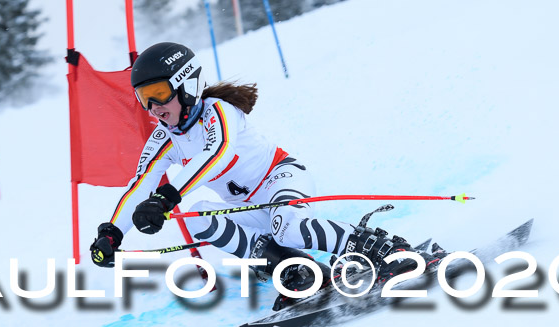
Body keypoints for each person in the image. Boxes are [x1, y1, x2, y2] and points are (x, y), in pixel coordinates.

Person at [90, 42, 440, 302]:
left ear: (186, 85)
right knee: (194, 216)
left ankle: (386, 251)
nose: (153, 107)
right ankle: (295, 271)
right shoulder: (164, 139)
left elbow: (216, 154)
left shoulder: (219, 112)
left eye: (159, 94)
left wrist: (166, 197)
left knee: (287, 228)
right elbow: (140, 185)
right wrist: (112, 233)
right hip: (250, 210)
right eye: (143, 97)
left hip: (281, 181)